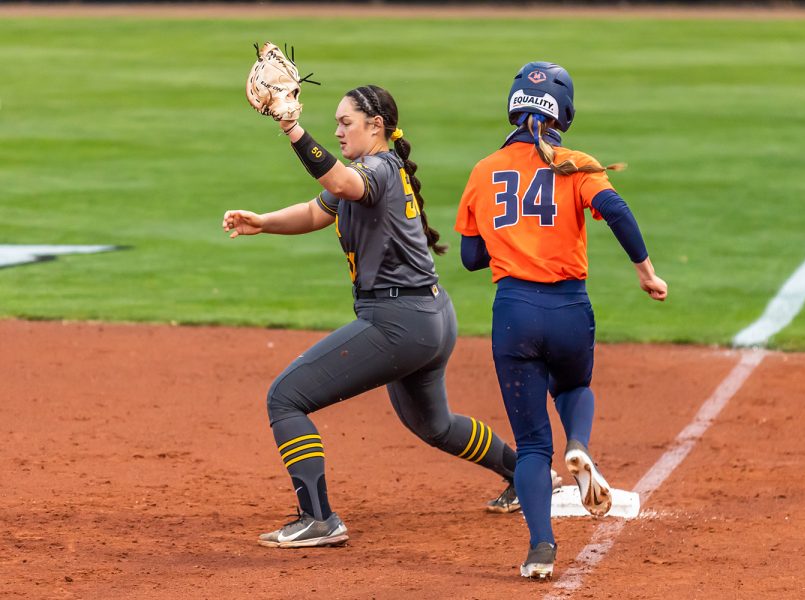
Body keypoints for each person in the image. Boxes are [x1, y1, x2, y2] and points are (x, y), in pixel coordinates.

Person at [223, 84, 523, 548]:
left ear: (375, 125)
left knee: (286, 398)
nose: (338, 131)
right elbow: (316, 210)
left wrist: (291, 127)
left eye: (346, 123)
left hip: (400, 321)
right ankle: (523, 475)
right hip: (431, 317)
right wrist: (262, 221)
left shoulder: (376, 170)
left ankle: (319, 518)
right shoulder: (377, 170)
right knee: (435, 425)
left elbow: (339, 184)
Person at [454, 61, 668, 579]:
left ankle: (540, 550)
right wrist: (645, 272)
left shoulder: (484, 171)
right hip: (569, 308)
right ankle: (580, 444)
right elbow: (617, 212)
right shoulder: (575, 164)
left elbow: (469, 258)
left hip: (514, 314)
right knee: (573, 387)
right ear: (563, 110)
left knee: (530, 445)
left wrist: (510, 237)